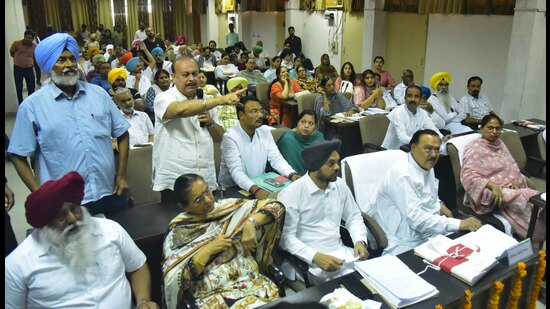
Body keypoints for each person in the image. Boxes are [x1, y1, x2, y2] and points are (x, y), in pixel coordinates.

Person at [7, 33, 131, 216]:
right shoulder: (32, 106)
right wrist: (41, 194)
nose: (69, 65)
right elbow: (18, 155)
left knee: (118, 240)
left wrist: (120, 176)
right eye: (61, 60)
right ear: (49, 65)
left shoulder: (98, 95)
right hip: (66, 204)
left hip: (109, 191)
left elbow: (122, 133)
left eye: (72, 59)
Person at [5, 171, 159, 309]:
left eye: (74, 209)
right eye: (61, 216)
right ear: (46, 224)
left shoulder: (110, 230)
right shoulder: (17, 264)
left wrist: (143, 301)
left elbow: (137, 266)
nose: (72, 219)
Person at [162, 173, 284, 308]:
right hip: (213, 295)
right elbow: (173, 280)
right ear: (184, 206)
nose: (208, 200)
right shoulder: (179, 230)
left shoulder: (229, 208)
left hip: (252, 283)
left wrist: (251, 222)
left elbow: (276, 206)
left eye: (207, 191)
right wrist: (205, 253)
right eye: (199, 200)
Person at [372, 129, 482, 255]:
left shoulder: (424, 163)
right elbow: (417, 220)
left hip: (430, 227)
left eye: (437, 149)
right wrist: (458, 224)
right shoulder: (402, 175)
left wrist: (440, 204)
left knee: (473, 250)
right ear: (413, 148)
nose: (434, 155)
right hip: (407, 239)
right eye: (428, 149)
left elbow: (426, 192)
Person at [153, 55, 246, 202]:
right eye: (185, 75)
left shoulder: (206, 101)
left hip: (205, 177)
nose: (191, 79)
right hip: (175, 179)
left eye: (195, 74)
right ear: (173, 77)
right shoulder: (164, 98)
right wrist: (220, 100)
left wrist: (210, 123)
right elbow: (177, 110)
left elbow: (219, 137)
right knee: (177, 222)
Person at [279, 140, 369, 285]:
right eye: (331, 163)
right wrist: (315, 256)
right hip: (308, 261)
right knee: (346, 289)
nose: (337, 167)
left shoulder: (340, 185)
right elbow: (286, 238)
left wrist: (359, 240)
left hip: (340, 253)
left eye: (337, 162)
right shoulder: (292, 194)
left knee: (369, 278)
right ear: (315, 166)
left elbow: (353, 216)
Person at [461, 115, 546, 243]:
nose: (494, 132)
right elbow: (468, 175)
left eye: (497, 128)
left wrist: (516, 182)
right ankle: (533, 234)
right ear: (481, 128)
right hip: (488, 190)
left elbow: (511, 167)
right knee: (530, 196)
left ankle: (538, 231)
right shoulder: (474, 147)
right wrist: (493, 186)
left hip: (508, 187)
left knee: (531, 198)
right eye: (490, 128)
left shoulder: (500, 144)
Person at [218, 96, 300, 198]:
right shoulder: (230, 138)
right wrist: (256, 189)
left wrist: (292, 174)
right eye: (254, 111)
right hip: (233, 190)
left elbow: (276, 159)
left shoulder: (264, 131)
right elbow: (236, 172)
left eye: (261, 111)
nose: (260, 115)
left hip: (259, 184)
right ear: (241, 115)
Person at [382, 85, 449, 150]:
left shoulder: (423, 113)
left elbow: (433, 129)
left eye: (416, 96)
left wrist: (442, 138)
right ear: (405, 98)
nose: (413, 99)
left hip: (411, 149)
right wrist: (424, 141)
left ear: (420, 99)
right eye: (410, 96)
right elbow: (403, 139)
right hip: (391, 151)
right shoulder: (398, 112)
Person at [277, 110, 325, 175]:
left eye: (311, 123)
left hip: (314, 177)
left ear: (315, 127)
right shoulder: (288, 139)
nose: (306, 126)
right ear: (297, 123)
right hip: (292, 177)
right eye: (303, 122)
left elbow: (322, 162)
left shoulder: (318, 138)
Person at [10, 30, 37, 104]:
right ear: (24, 37)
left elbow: (36, 56)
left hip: (29, 68)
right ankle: (21, 104)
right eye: (26, 37)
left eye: (29, 38)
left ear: (32, 39)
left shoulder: (34, 46)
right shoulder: (16, 44)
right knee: (19, 87)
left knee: (31, 86)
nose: (27, 39)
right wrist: (18, 59)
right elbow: (12, 52)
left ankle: (30, 103)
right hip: (18, 68)